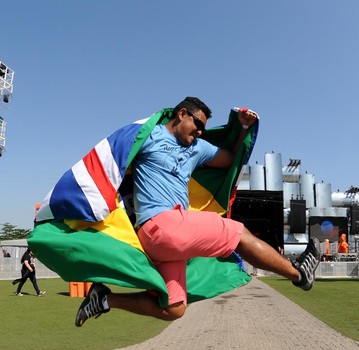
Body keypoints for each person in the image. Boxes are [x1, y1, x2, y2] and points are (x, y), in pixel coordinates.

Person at [76, 97, 321, 327]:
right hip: (158, 224)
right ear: (182, 114)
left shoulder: (198, 148)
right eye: (198, 125)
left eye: (203, 128)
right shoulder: (149, 135)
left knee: (174, 308)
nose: (200, 132)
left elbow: (229, 161)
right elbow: (113, 157)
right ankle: (298, 273)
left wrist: (243, 130)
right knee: (238, 233)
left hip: (169, 239)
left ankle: (105, 300)